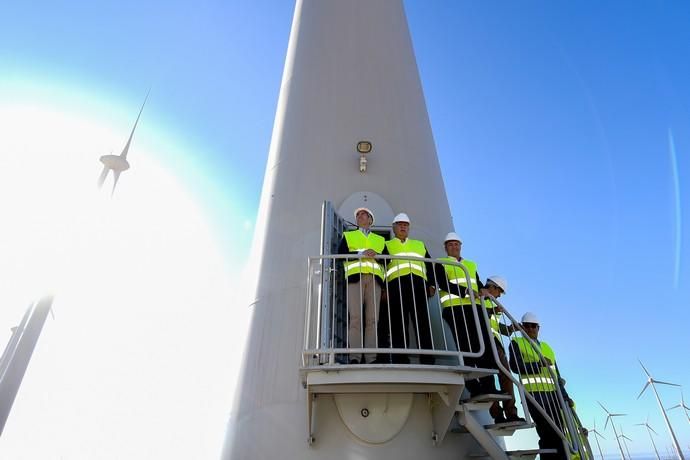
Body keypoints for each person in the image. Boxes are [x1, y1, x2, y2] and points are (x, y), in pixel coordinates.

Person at [435, 232, 498, 398]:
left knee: (483, 345)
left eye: (456, 244)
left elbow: (476, 284)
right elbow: (443, 283)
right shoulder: (440, 263)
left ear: (460, 246)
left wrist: (482, 290)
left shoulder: (471, 264)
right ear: (446, 247)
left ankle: (489, 386)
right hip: (454, 309)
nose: (454, 247)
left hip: (475, 308)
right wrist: (464, 291)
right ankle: (474, 389)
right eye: (450, 244)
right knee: (465, 347)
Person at [509, 312, 573, 460]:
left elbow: (555, 374)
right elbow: (515, 366)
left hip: (553, 396)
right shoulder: (516, 342)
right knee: (546, 432)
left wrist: (565, 397)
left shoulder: (547, 347)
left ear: (538, 328)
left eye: (533, 326)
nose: (530, 329)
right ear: (522, 327)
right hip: (534, 395)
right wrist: (538, 364)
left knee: (560, 432)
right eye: (527, 326)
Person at [381, 213, 436, 364]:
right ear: (394, 228)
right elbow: (381, 268)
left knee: (422, 322)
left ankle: (428, 359)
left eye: (405, 224)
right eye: (399, 224)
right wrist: (383, 289)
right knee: (399, 323)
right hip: (396, 286)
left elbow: (430, 265)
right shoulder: (387, 245)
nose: (403, 226)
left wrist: (431, 284)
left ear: (409, 228)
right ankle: (401, 359)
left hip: (419, 285)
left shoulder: (419, 244)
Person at [337, 207, 385, 364]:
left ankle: (371, 358)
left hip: (374, 280)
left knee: (372, 320)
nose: (359, 216)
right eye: (357, 215)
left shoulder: (380, 240)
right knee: (356, 318)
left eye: (363, 214)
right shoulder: (348, 236)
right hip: (355, 279)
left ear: (370, 220)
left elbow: (388, 261)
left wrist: (376, 256)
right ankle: (355, 357)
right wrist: (360, 254)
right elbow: (339, 254)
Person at [481, 276, 524, 423]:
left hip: (495, 342)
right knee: (490, 379)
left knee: (506, 377)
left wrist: (511, 329)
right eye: (499, 291)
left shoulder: (493, 303)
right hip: (484, 341)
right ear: (492, 287)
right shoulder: (478, 298)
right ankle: (498, 415)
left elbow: (496, 326)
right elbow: (477, 316)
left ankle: (511, 414)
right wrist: (492, 310)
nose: (499, 295)